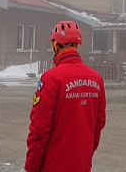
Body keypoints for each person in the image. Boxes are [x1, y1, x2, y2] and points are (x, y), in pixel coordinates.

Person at [25, 21, 106, 172]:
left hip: (54, 166)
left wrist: (31, 167)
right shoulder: (96, 79)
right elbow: (98, 124)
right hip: (82, 165)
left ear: (56, 45)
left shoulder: (51, 79)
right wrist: (84, 156)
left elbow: (39, 129)